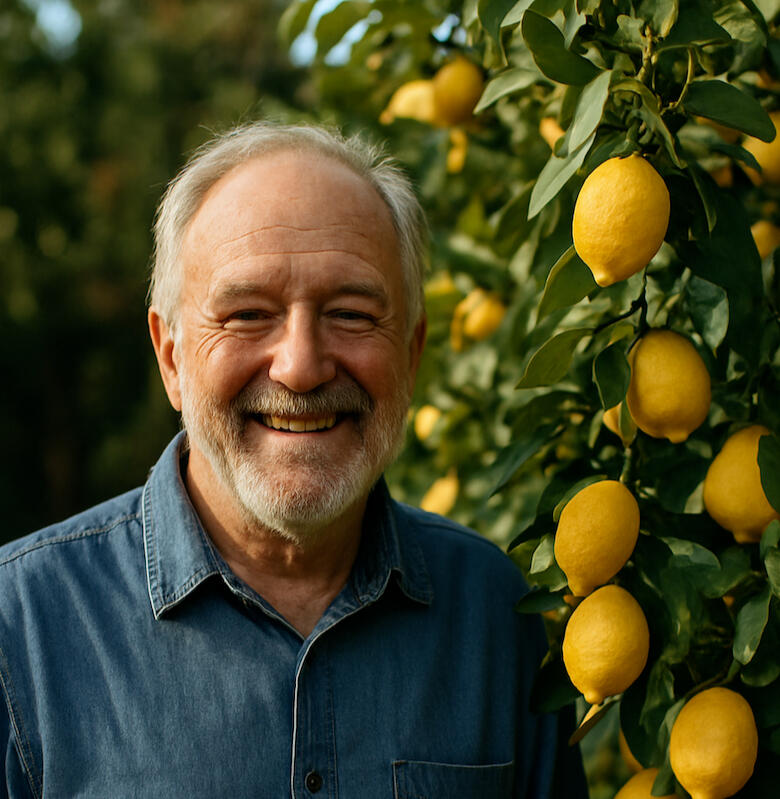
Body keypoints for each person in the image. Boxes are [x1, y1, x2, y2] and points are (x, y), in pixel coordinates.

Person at [0, 123, 586, 797]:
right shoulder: (21, 631)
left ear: (412, 353)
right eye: (248, 313)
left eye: (353, 313)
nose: (301, 367)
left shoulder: (493, 612)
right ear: (172, 358)